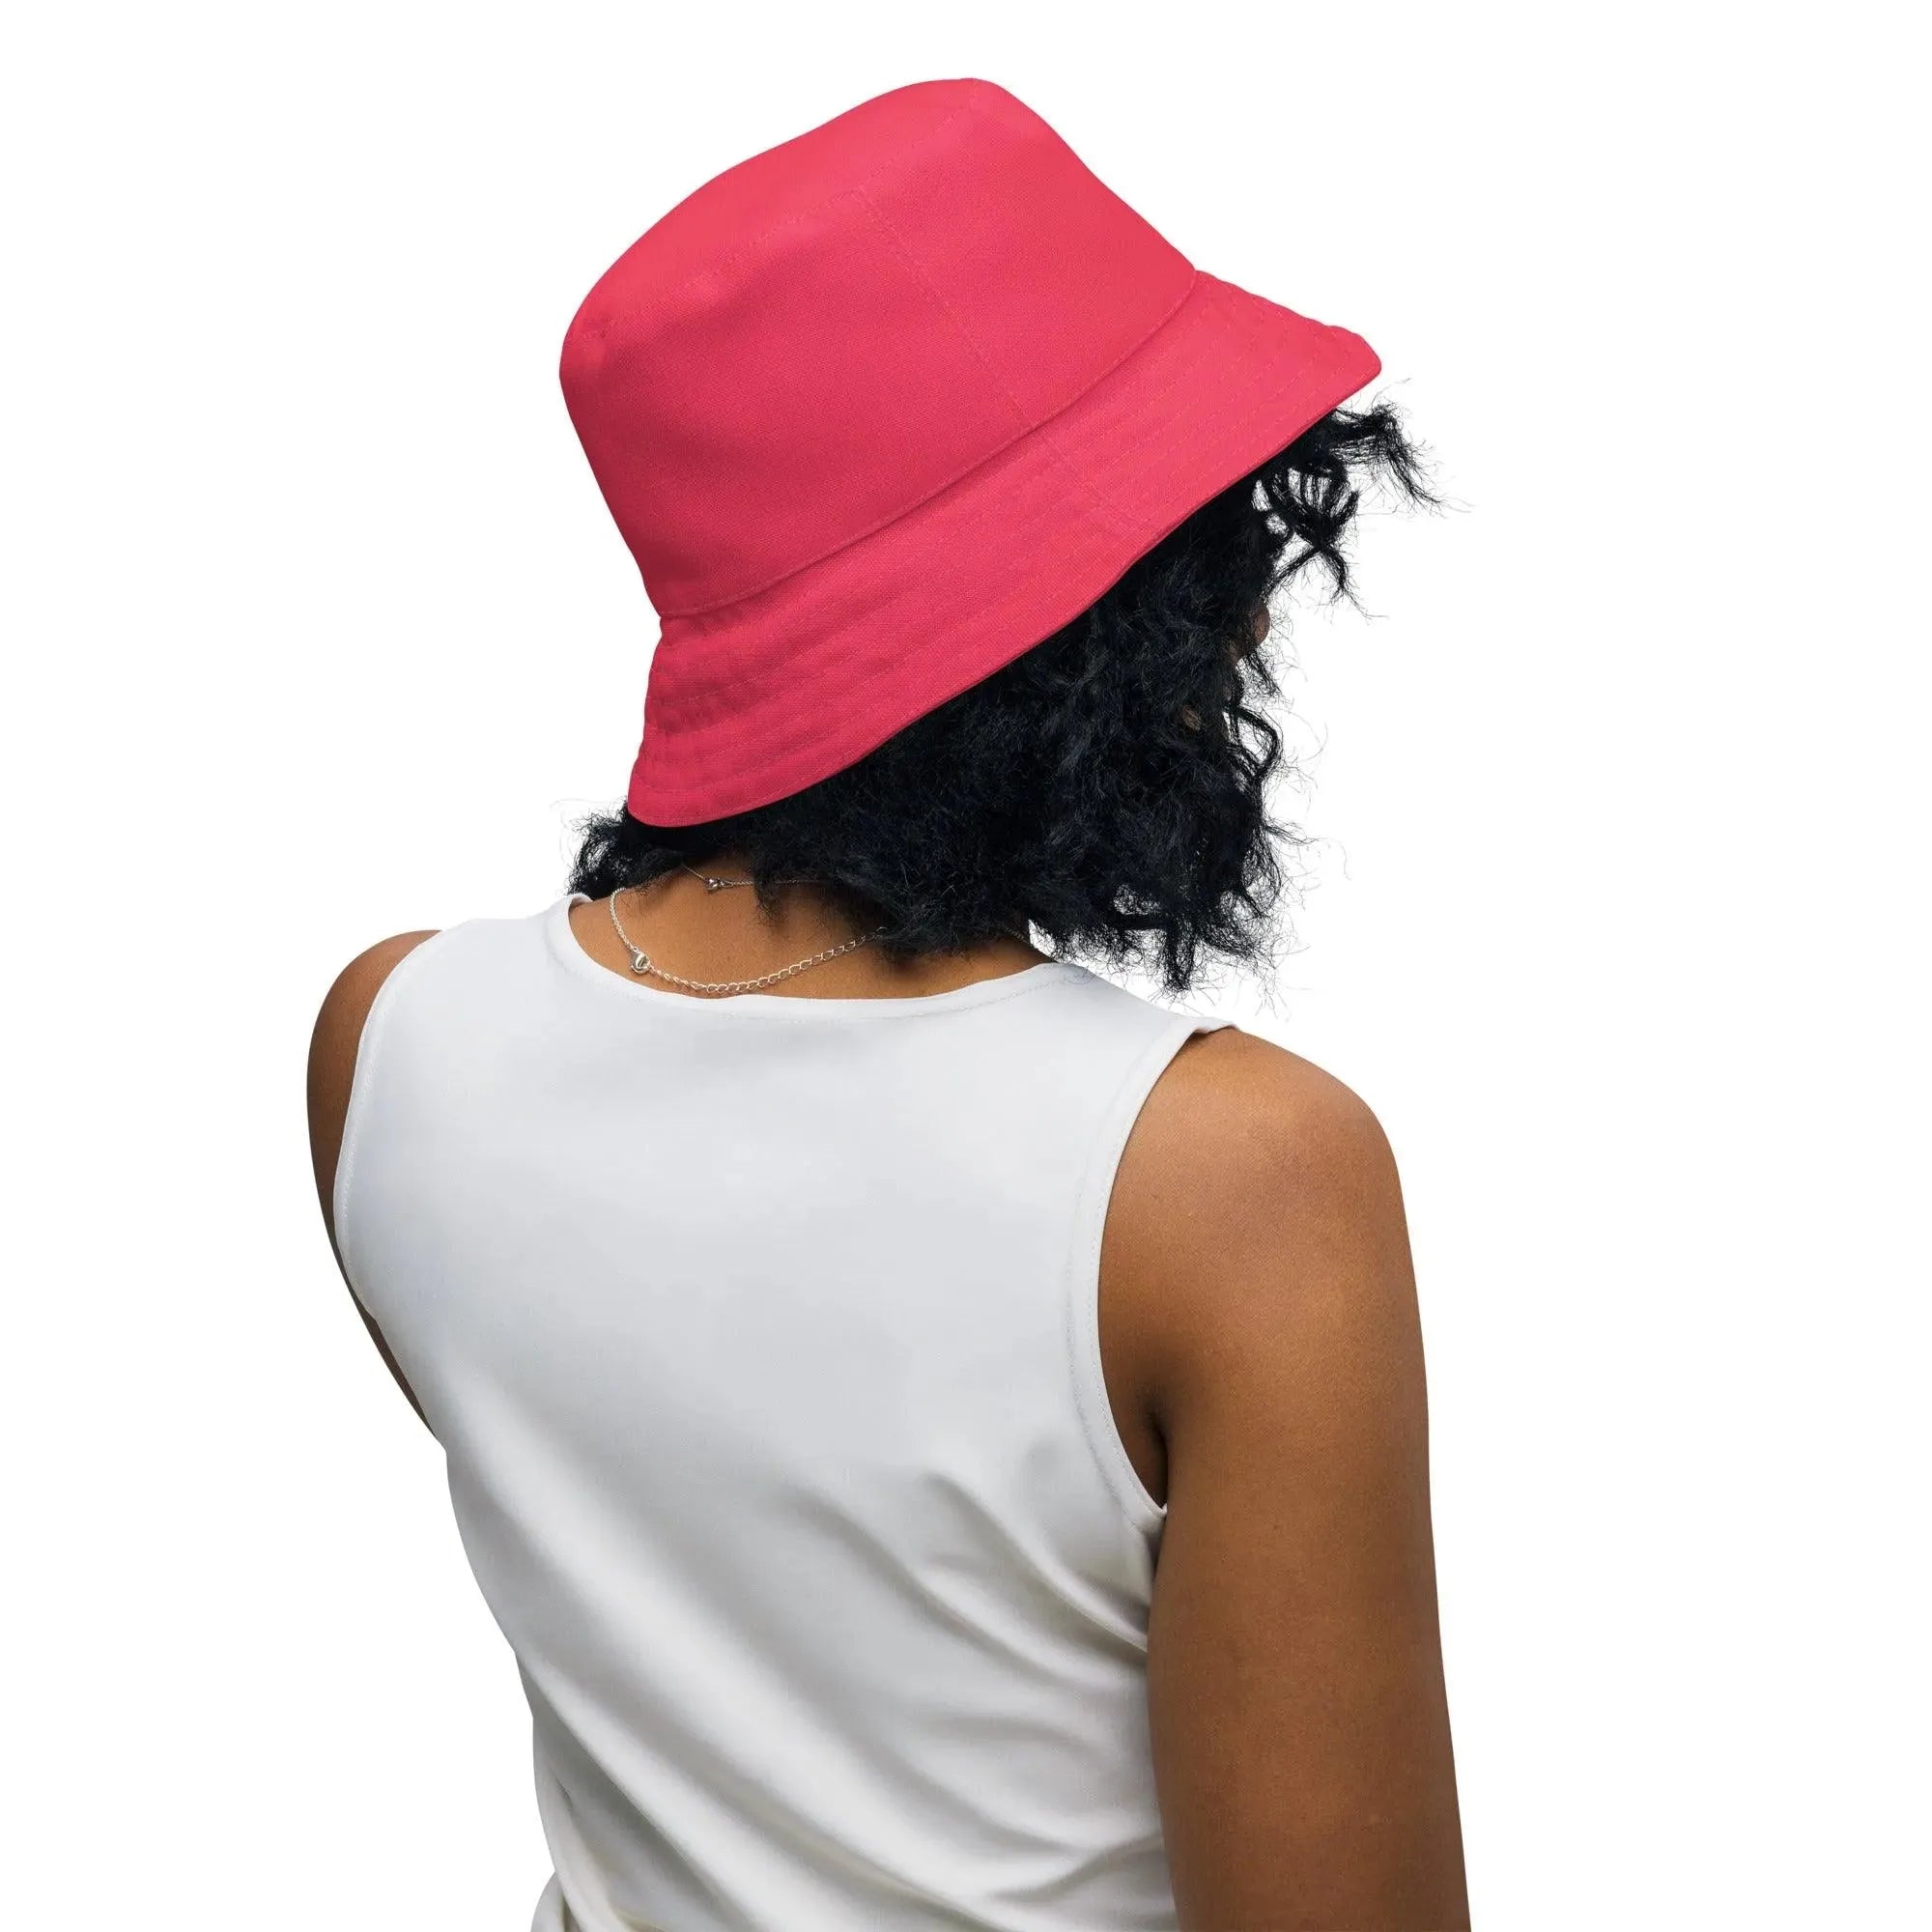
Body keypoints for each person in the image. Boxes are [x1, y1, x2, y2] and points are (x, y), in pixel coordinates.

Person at [306, 77, 1467, 1932]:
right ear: (1078, 618)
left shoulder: (391, 1046)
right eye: (1205, 560)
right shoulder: (1227, 1177)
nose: (1248, 628)